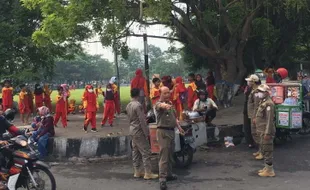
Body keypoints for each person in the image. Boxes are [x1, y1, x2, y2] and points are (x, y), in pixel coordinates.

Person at [155, 86, 185, 190]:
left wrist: (179, 127)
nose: (167, 95)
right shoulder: (158, 104)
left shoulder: (171, 104)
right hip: (163, 132)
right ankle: (162, 179)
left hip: (171, 132)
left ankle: (169, 174)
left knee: (171, 155)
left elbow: (174, 118)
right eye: (165, 93)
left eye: (168, 93)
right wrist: (164, 105)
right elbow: (160, 106)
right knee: (164, 156)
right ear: (160, 94)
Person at [126, 88, 158, 180]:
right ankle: (148, 172)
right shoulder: (138, 105)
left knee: (135, 151)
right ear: (138, 95)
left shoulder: (129, 105)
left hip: (132, 129)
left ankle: (137, 171)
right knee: (146, 151)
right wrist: (147, 133)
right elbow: (142, 121)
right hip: (139, 130)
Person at [255, 84, 276, 177]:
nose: (259, 93)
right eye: (258, 91)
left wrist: (267, 133)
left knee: (268, 151)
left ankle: (270, 171)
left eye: (261, 91)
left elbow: (269, 120)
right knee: (264, 149)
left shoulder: (269, 104)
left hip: (265, 131)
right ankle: (266, 167)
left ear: (266, 93)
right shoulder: (263, 101)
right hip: (261, 130)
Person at [246, 74, 262, 157]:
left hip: (256, 116)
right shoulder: (254, 90)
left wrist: (255, 117)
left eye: (249, 81)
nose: (248, 83)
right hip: (253, 115)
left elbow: (257, 105)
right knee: (254, 133)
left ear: (254, 82)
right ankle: (260, 150)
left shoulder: (257, 91)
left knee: (257, 133)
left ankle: (262, 152)